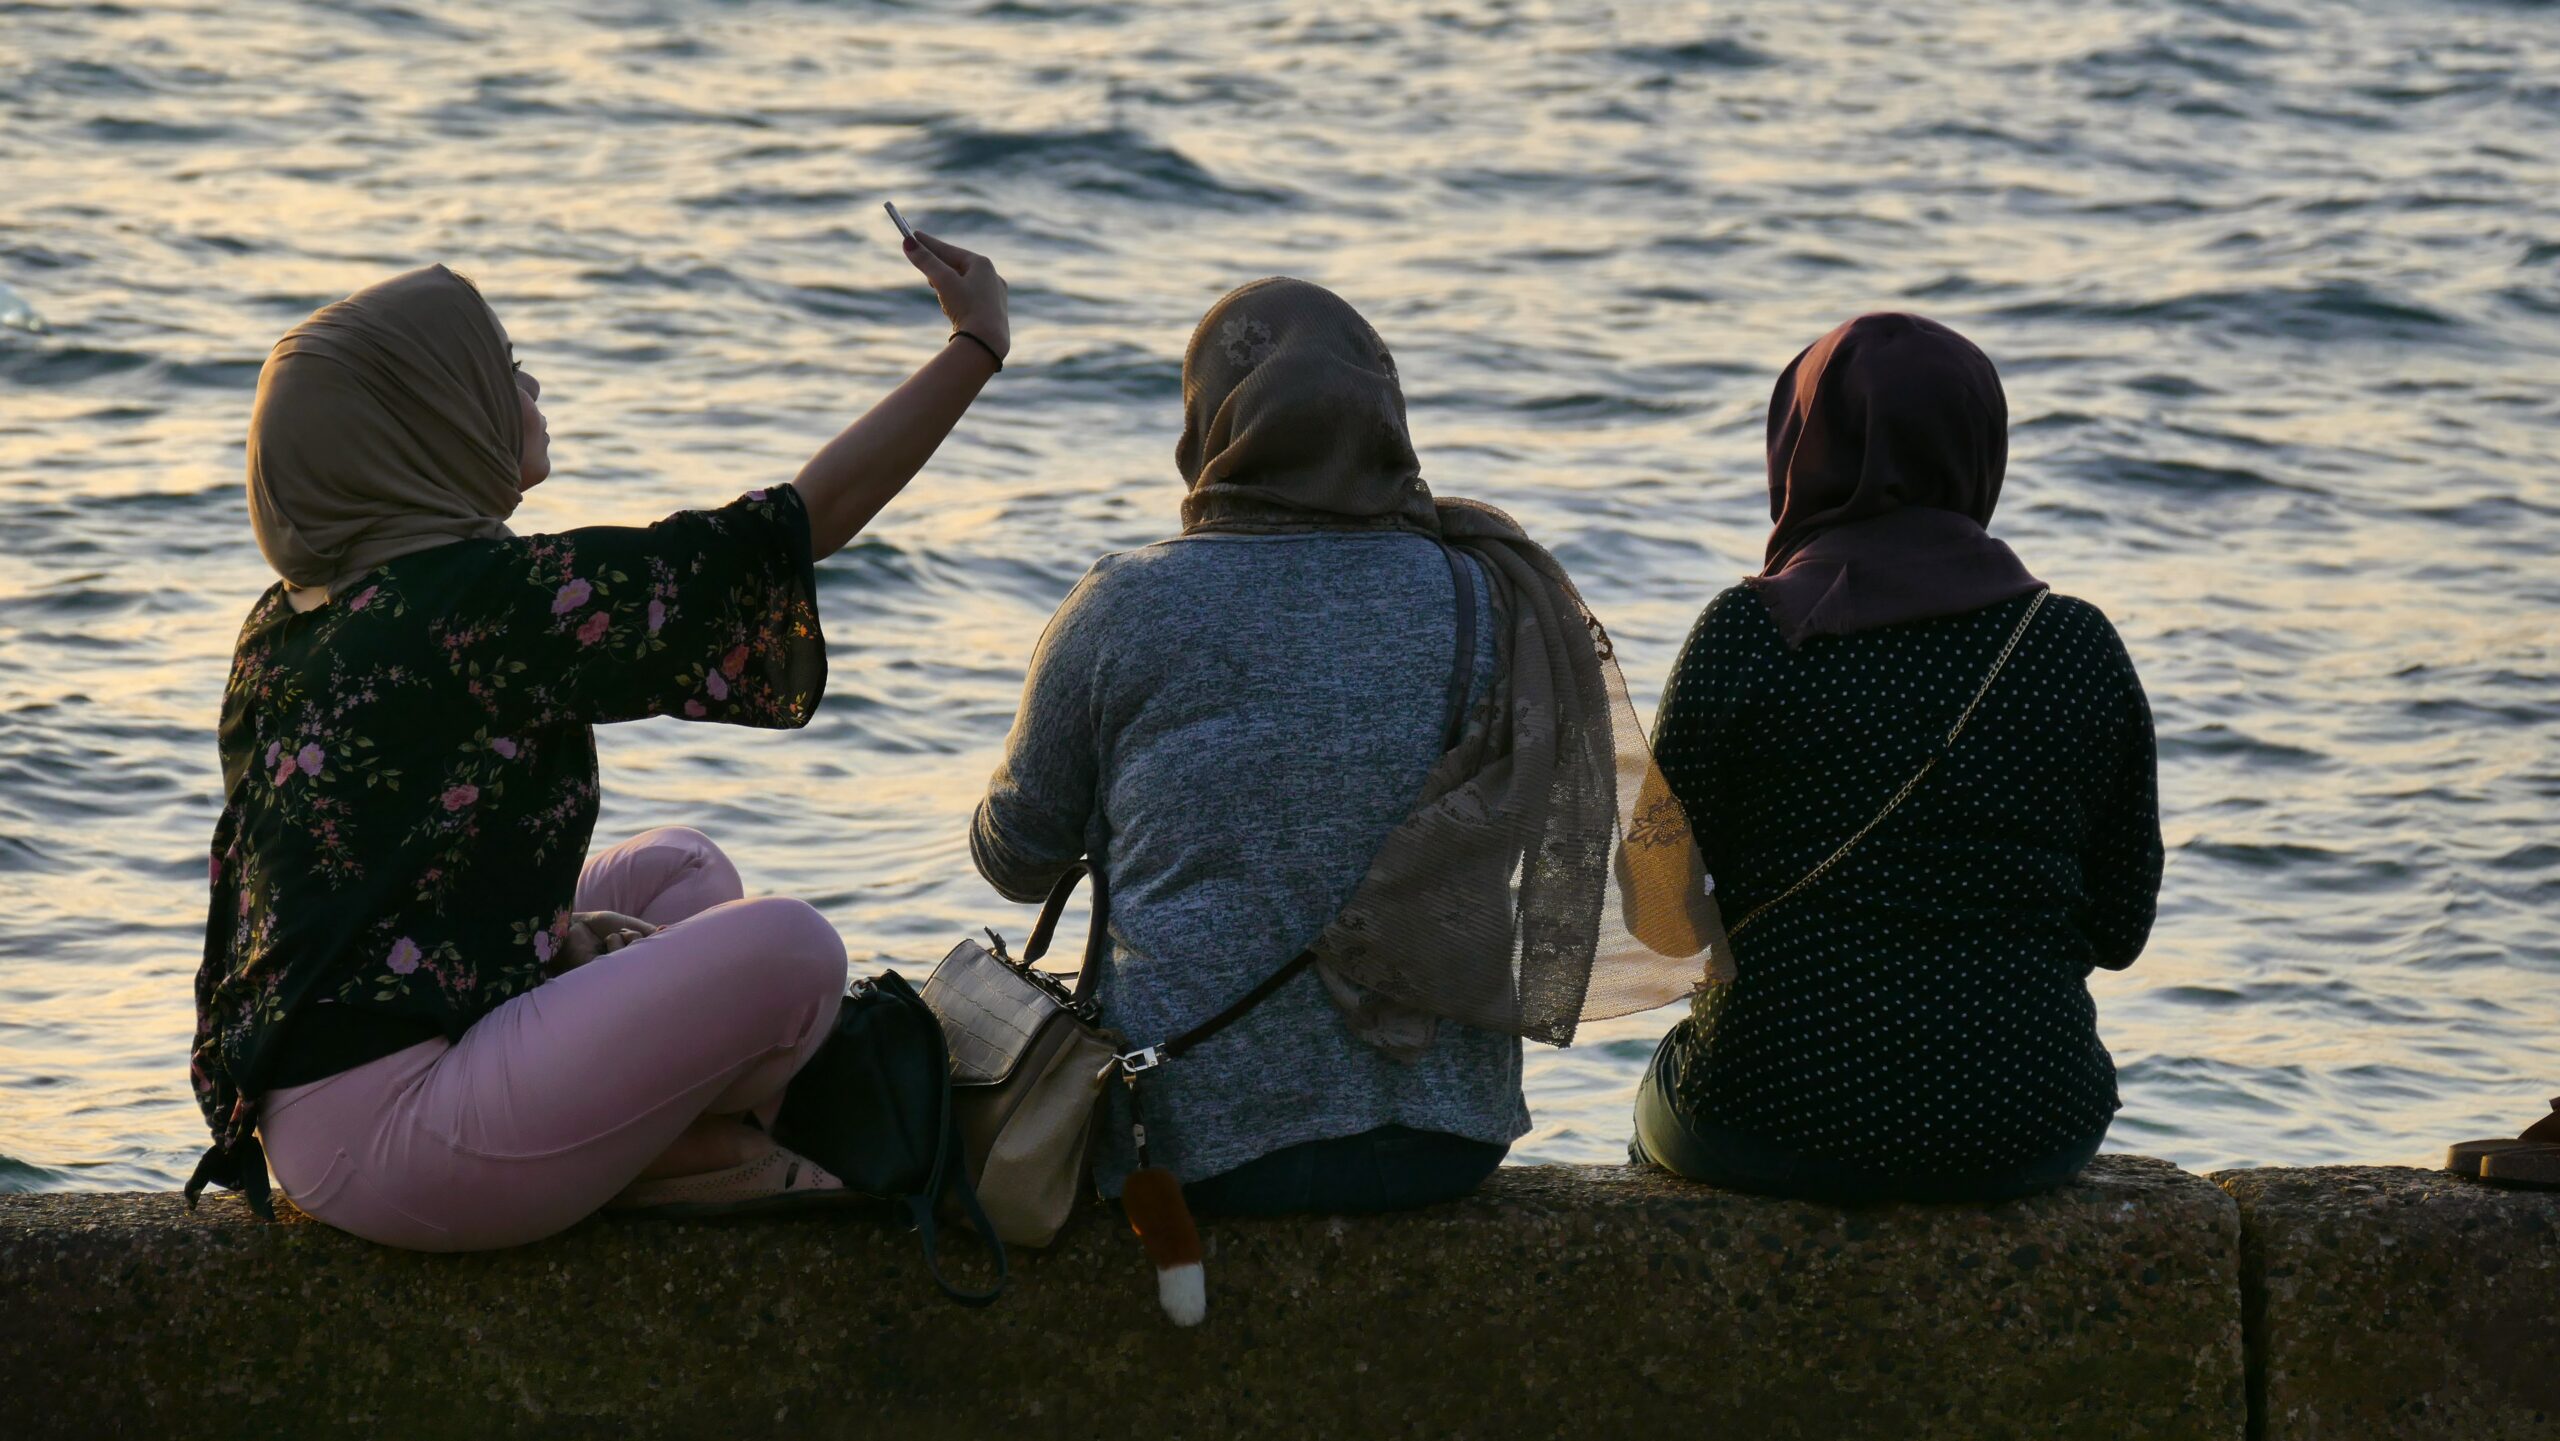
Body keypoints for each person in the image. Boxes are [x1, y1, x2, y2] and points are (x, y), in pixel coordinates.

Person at [187, 233, 1011, 1250]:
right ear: (429, 425)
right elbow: (799, 525)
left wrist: (559, 942)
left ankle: (638, 1150)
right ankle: (672, 1156)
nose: (527, 382)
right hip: (396, 1137)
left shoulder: (296, 619)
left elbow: (376, 887)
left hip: (316, 1098)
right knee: (793, 950)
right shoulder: (470, 608)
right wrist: (977, 343)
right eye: (497, 370)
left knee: (679, 872)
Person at [970, 278, 1724, 1219]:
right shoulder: (1488, 593)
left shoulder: (1124, 606)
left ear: (1207, 427)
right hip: (1447, 1139)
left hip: (1197, 1142)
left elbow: (1015, 860)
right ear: (1383, 414)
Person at [1631, 312, 2162, 1205]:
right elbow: (2120, 930)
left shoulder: (1747, 635)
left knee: (1662, 1105)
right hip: (2028, 1126)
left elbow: (1656, 915)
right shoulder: (2076, 644)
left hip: (1767, 1118)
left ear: (1800, 450)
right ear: (1979, 447)